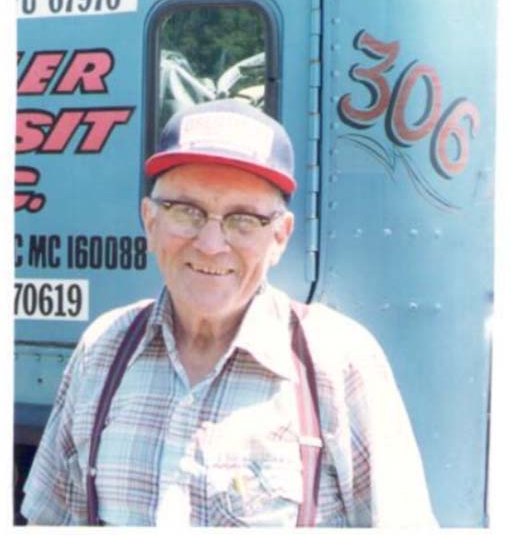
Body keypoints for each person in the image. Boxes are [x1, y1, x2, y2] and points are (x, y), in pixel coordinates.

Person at [21, 99, 437, 527]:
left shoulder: (339, 362)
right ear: (149, 222)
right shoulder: (102, 350)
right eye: (186, 211)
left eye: (243, 219)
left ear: (279, 237)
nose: (211, 244)